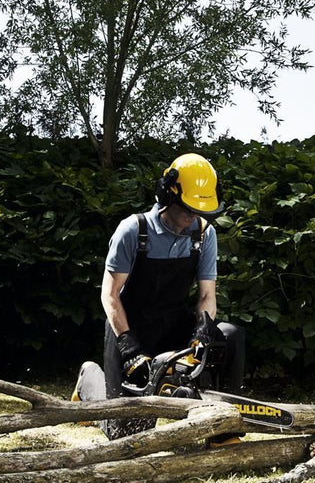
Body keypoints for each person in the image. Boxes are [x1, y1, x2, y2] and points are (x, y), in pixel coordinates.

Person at [80, 153, 245, 439]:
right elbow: (110, 294)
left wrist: (202, 331)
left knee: (231, 335)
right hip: (132, 329)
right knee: (124, 434)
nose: (193, 216)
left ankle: (223, 430)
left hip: (174, 323)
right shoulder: (134, 230)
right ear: (168, 195)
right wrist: (128, 345)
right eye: (188, 208)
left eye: (200, 210)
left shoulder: (204, 234)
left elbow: (207, 295)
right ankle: (88, 380)